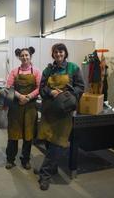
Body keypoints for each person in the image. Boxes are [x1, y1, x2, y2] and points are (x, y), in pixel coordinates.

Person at [37, 43, 85, 190]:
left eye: (61, 51)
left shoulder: (73, 68)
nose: (58, 54)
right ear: (53, 54)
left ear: (65, 53)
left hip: (64, 113)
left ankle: (44, 174)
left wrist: (67, 94)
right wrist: (50, 92)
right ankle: (52, 168)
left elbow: (81, 87)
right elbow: (41, 88)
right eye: (56, 52)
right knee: (48, 140)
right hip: (49, 111)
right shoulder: (48, 70)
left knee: (57, 144)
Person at [5, 47, 42, 170]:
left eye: (27, 55)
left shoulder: (36, 72)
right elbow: (8, 87)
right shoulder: (14, 71)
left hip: (30, 107)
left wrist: (28, 97)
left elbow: (39, 88)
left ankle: (25, 160)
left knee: (28, 135)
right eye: (22, 55)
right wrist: (20, 96)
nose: (25, 57)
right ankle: (10, 159)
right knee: (13, 135)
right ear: (19, 57)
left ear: (30, 56)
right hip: (16, 107)